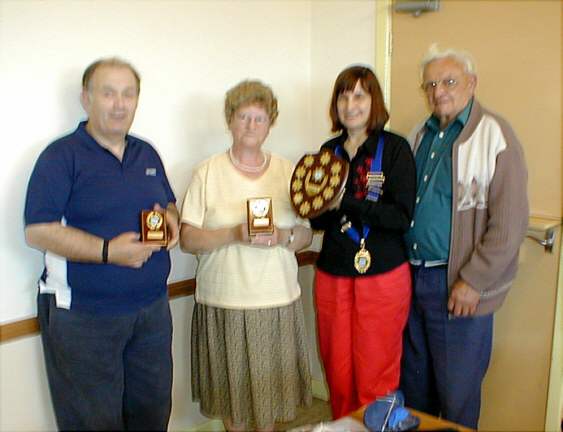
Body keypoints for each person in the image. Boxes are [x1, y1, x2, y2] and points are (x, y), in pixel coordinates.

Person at [24, 58, 179, 431]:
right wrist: (109, 252)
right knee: (93, 423)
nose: (120, 104)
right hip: (84, 317)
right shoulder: (60, 157)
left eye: (128, 94)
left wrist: (172, 221)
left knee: (153, 414)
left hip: (152, 311)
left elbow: (169, 204)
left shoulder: (147, 153)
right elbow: (38, 231)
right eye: (108, 93)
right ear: (86, 98)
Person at [401, 46, 529, 429]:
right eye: (430, 85)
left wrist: (473, 281)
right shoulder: (419, 135)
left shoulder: (495, 135)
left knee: (457, 397)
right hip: (413, 279)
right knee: (416, 391)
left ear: (472, 83)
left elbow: (509, 225)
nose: (438, 91)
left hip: (457, 285)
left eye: (449, 81)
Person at [180, 80, 313, 432]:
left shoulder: (288, 172)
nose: (251, 125)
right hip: (225, 303)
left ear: (270, 123)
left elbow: (305, 234)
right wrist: (233, 234)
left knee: (270, 403)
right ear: (230, 120)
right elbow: (188, 238)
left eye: (259, 118)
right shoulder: (207, 172)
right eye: (243, 117)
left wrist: (283, 236)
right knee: (233, 404)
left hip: (276, 301)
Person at [309, 66, 416, 419]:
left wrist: (346, 202)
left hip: (382, 276)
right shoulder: (328, 151)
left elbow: (400, 217)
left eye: (359, 95)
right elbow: (319, 221)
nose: (350, 104)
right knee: (338, 373)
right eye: (343, 96)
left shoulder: (396, 149)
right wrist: (313, 204)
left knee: (376, 374)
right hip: (333, 273)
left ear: (374, 102)